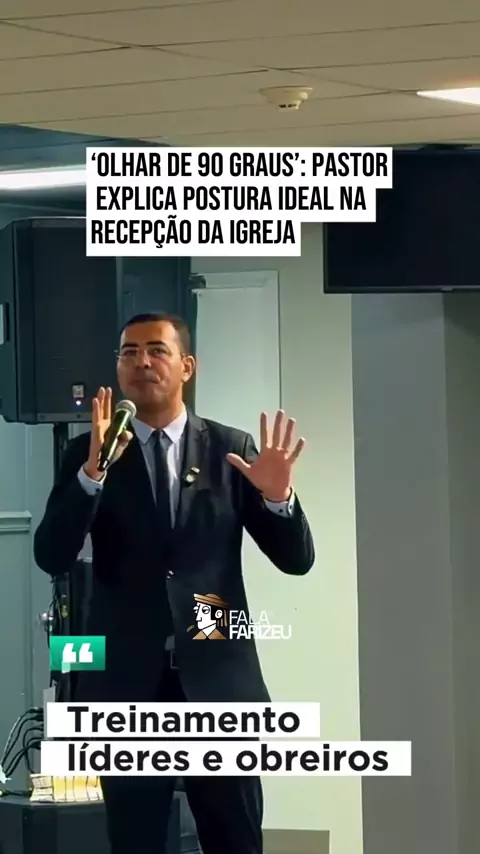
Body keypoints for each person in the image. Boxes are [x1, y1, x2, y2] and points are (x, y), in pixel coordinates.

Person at [34, 311, 315, 854]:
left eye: (156, 351)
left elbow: (296, 560)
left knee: (235, 839)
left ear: (187, 366)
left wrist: (278, 499)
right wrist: (91, 476)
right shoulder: (88, 452)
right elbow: (51, 555)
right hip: (125, 687)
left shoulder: (229, 449)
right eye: (129, 352)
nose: (142, 362)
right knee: (135, 839)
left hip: (219, 684)